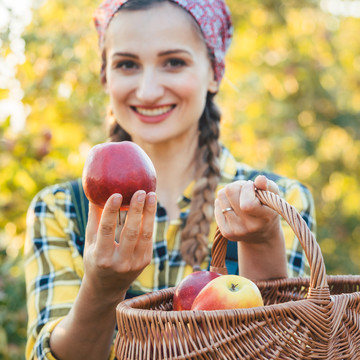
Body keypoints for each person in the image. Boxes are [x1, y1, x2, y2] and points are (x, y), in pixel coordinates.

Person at [24, 0, 316, 359]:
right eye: (127, 64)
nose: (148, 91)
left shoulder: (279, 201)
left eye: (173, 62)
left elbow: (290, 347)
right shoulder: (61, 210)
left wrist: (262, 241)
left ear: (214, 72)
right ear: (106, 75)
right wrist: (101, 290)